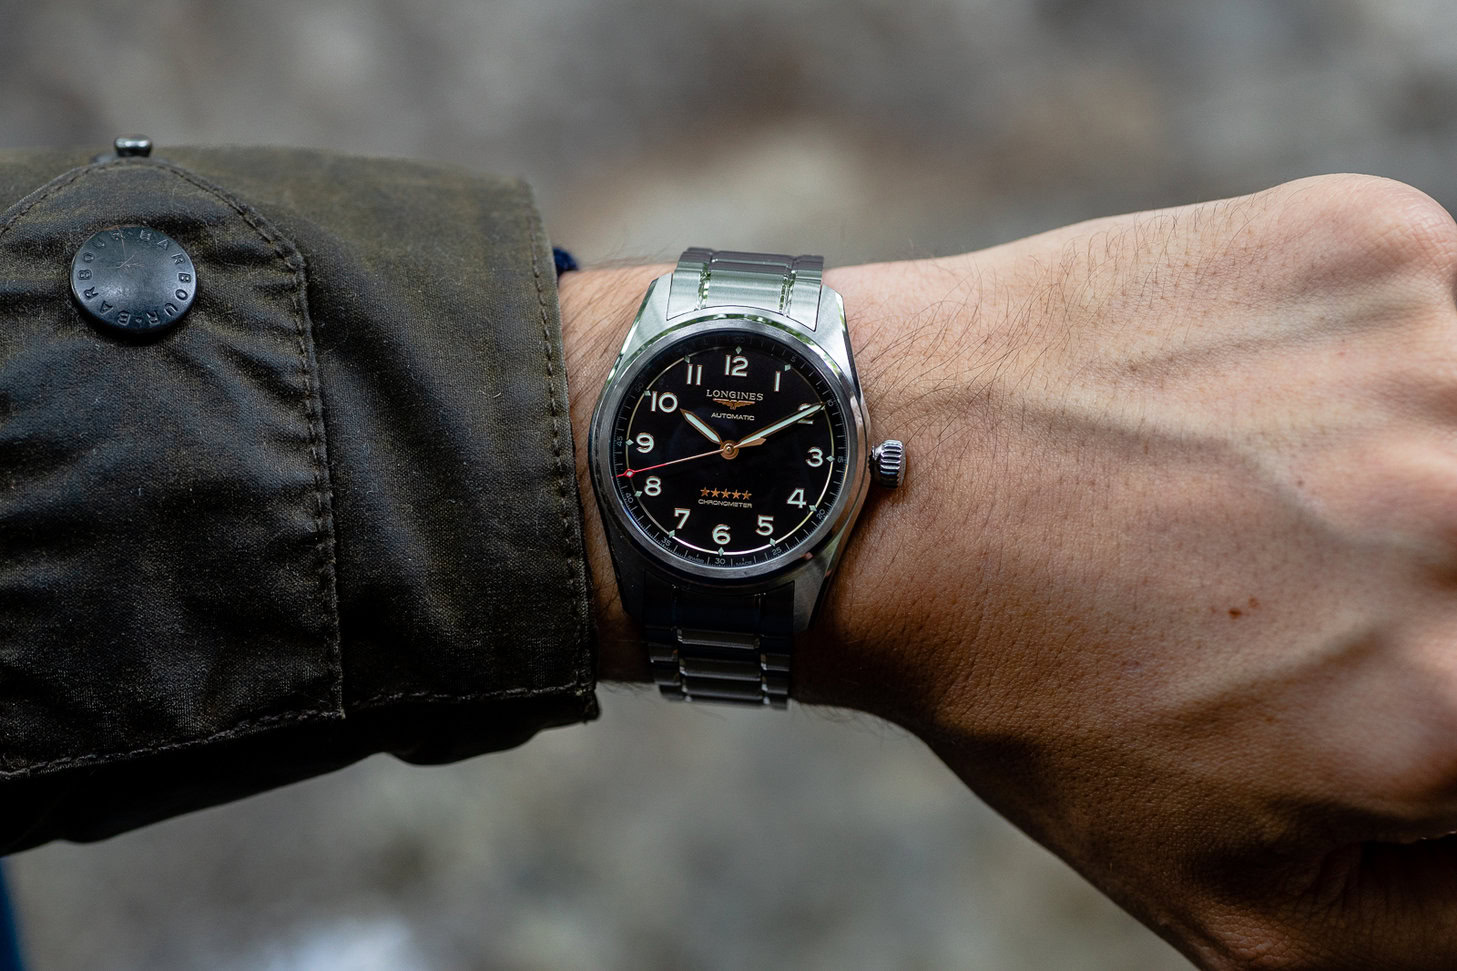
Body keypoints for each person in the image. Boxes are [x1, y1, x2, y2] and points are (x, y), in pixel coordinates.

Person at [2, 144, 1456, 969]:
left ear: (866, 460)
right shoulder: (786, 474)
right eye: (707, 446)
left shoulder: (804, 438)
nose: (722, 453)